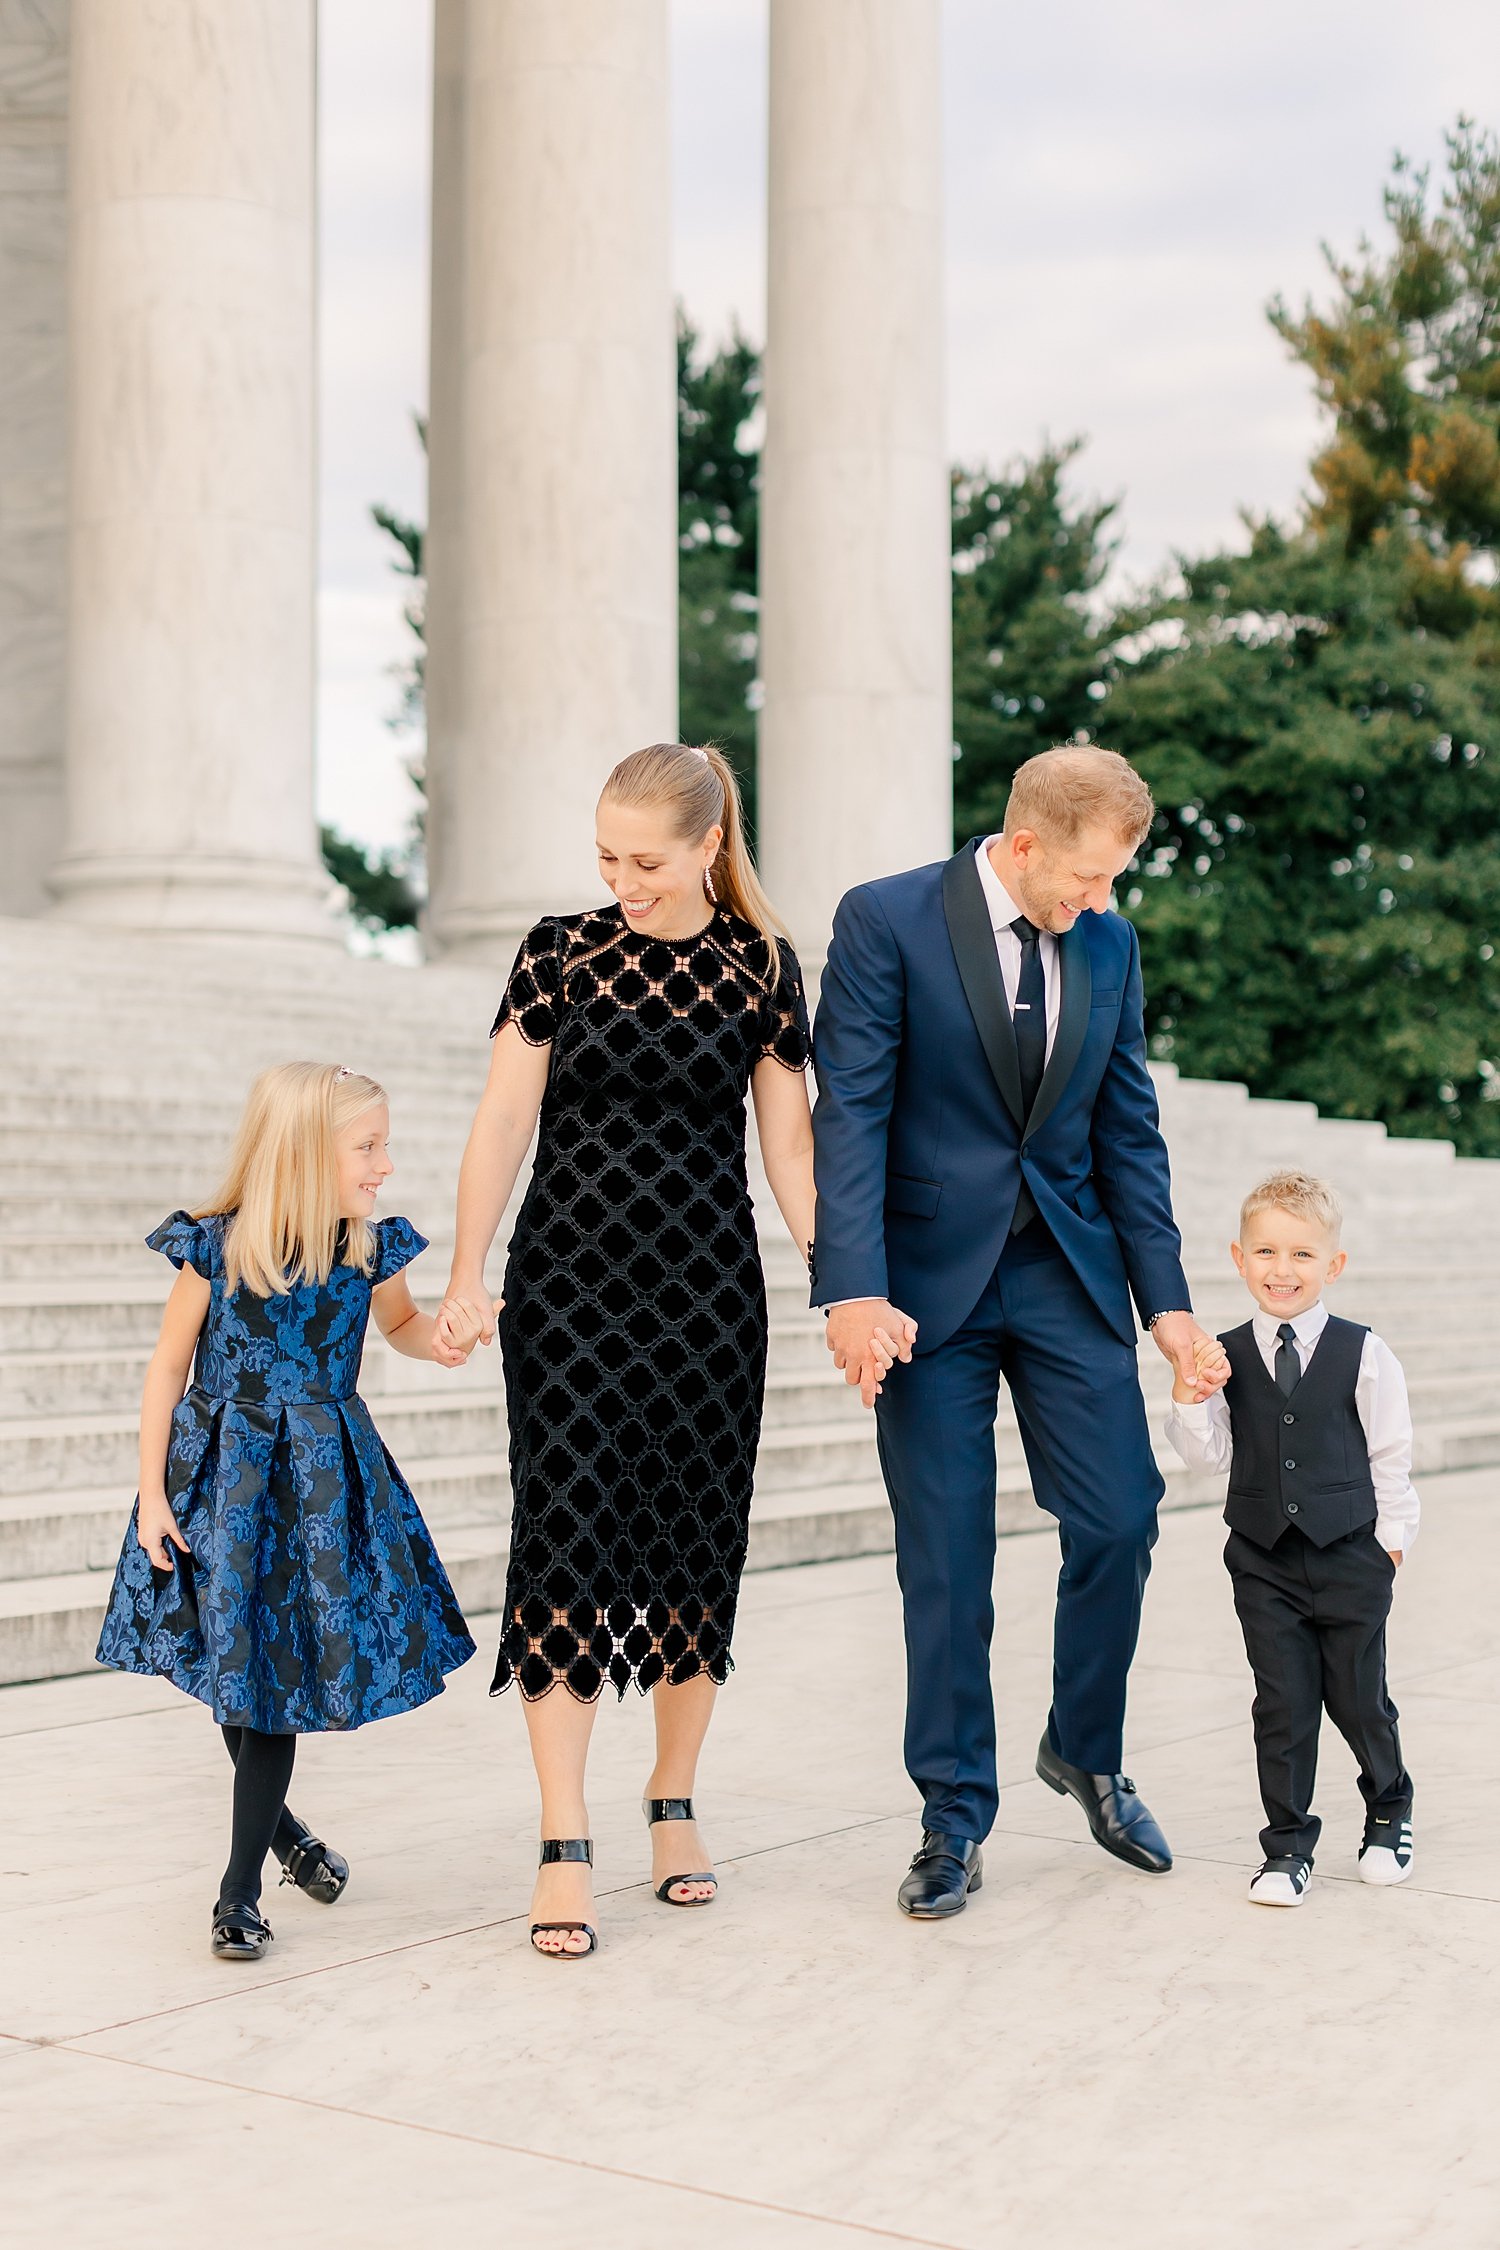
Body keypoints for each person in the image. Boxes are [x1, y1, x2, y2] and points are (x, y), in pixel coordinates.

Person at [812, 745, 1223, 1919]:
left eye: (1115, 883)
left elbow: (1129, 1132)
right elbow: (853, 1111)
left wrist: (1171, 1308)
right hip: (923, 1289)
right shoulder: (887, 920)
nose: (1101, 905)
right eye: (1088, 880)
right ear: (1028, 842)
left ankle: (1084, 1749)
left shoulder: (1111, 942)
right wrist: (851, 1287)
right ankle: (952, 1816)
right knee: (947, 1559)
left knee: (1122, 1517)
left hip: (1065, 1273)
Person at [438, 744, 817, 1960]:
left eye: (645, 860)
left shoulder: (761, 967)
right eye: (607, 856)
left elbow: (791, 1159)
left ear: (710, 847)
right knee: (566, 1537)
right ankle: (562, 1836)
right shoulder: (560, 951)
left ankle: (672, 1797)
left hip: (709, 1301)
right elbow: (503, 1118)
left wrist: (846, 1283)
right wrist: (465, 1271)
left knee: (694, 1541)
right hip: (568, 1296)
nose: (623, 879)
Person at [95, 1062, 479, 1960]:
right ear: (308, 1152)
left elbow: (404, 1328)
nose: (385, 1165)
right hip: (220, 1479)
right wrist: (152, 1493)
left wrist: (447, 1338)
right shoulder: (219, 1247)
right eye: (368, 1146)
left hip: (319, 1486)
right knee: (237, 1668)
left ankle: (240, 1892)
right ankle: (285, 1844)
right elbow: (166, 1366)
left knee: (265, 1686)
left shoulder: (368, 1251)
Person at [1165, 1168, 1418, 1907]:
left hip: (1351, 1554)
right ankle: (1286, 1846)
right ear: (1240, 1259)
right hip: (1263, 1560)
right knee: (1281, 1703)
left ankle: (1389, 1808)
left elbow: (1390, 1455)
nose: (1283, 1270)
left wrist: (1390, 1546)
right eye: (1267, 1253)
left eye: (1302, 1255)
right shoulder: (1223, 1354)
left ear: (1333, 1266)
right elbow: (1208, 1456)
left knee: (1357, 1697)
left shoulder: (1364, 1353)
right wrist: (1188, 1393)